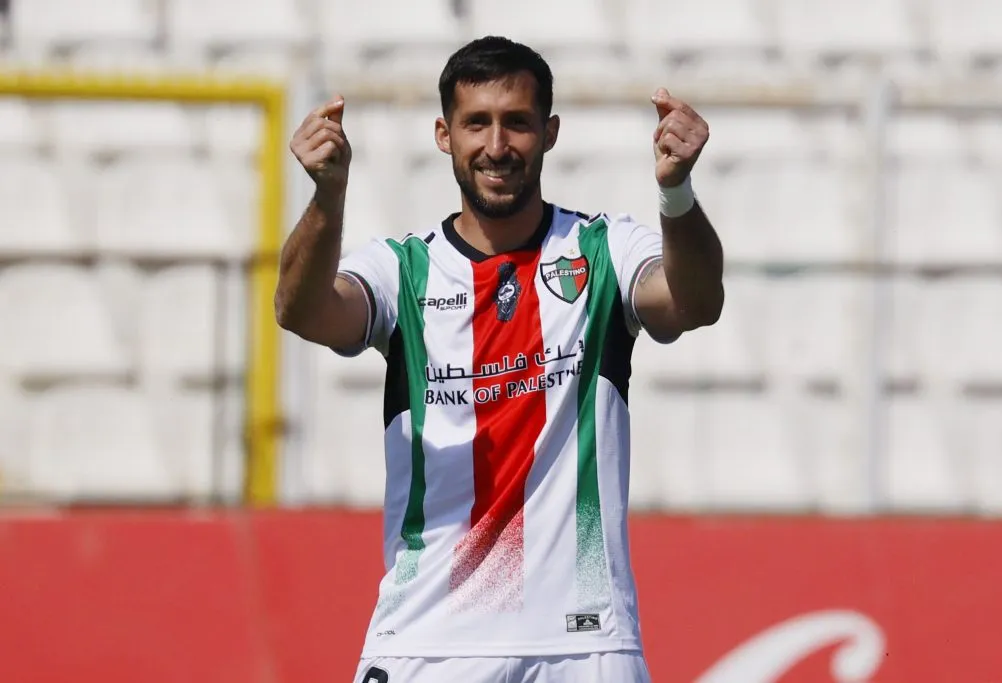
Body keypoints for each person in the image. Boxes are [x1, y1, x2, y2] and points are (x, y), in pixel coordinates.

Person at [276, 35, 724, 683]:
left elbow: (693, 302)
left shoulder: (603, 250)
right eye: (475, 123)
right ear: (444, 135)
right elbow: (302, 310)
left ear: (549, 133)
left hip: (586, 641)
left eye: (516, 122)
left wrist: (676, 193)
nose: (496, 145)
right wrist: (327, 196)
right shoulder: (401, 269)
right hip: (427, 641)